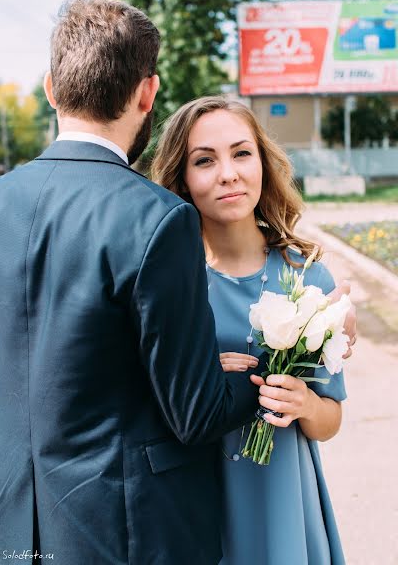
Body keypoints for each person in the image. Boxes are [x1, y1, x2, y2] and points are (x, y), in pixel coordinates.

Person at [0, 0, 268, 565]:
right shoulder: (157, 218)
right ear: (148, 93)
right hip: (127, 533)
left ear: (51, 88)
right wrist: (279, 357)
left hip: (13, 529)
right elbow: (196, 414)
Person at [152, 96, 355, 565]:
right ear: (182, 177)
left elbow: (330, 422)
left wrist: (303, 403)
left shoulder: (309, 279)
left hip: (283, 497)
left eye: (242, 153)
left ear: (262, 161)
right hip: (200, 499)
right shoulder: (168, 285)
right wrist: (195, 377)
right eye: (205, 160)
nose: (228, 173)